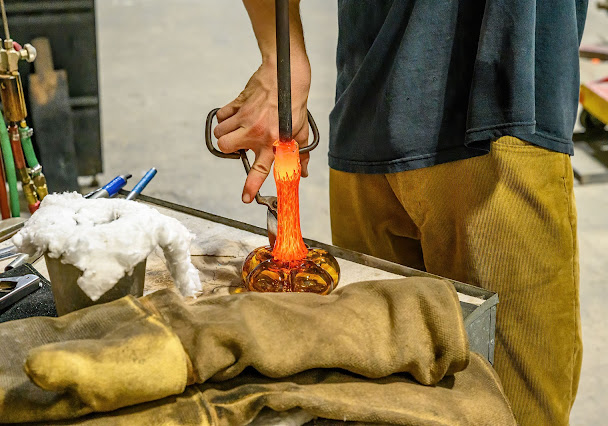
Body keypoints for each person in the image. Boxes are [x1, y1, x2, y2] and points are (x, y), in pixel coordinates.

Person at [213, 1, 588, 424]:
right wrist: (281, 63)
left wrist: (282, 58)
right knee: (516, 410)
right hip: (495, 130)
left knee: (378, 400)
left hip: (368, 124)